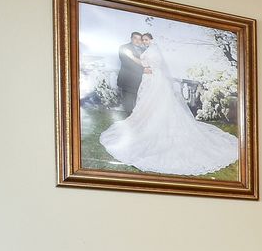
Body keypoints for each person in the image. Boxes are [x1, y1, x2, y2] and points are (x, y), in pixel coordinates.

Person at [99, 33, 239, 176]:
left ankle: (149, 126)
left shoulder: (152, 50)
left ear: (151, 40)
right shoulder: (135, 48)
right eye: (142, 39)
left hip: (154, 80)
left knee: (156, 103)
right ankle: (138, 125)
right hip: (145, 80)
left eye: (145, 39)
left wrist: (135, 60)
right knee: (146, 104)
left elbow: (153, 65)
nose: (143, 41)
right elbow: (138, 64)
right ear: (132, 39)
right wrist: (137, 62)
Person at [116, 32, 147, 114]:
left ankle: (136, 118)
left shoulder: (144, 50)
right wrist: (143, 70)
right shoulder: (123, 48)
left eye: (139, 39)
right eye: (135, 38)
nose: (137, 41)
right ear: (131, 38)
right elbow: (127, 63)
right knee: (128, 102)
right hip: (127, 80)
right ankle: (129, 118)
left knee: (139, 102)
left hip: (140, 81)